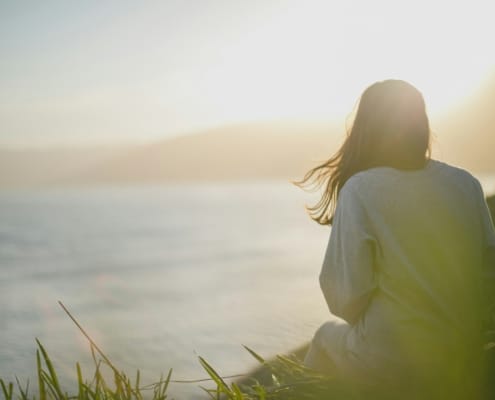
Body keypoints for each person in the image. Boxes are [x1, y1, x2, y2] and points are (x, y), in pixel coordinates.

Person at [296, 80, 495, 398]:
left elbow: (344, 298)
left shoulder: (361, 190)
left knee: (323, 338)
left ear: (366, 129)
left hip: (394, 359)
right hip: (463, 352)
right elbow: (488, 275)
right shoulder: (466, 184)